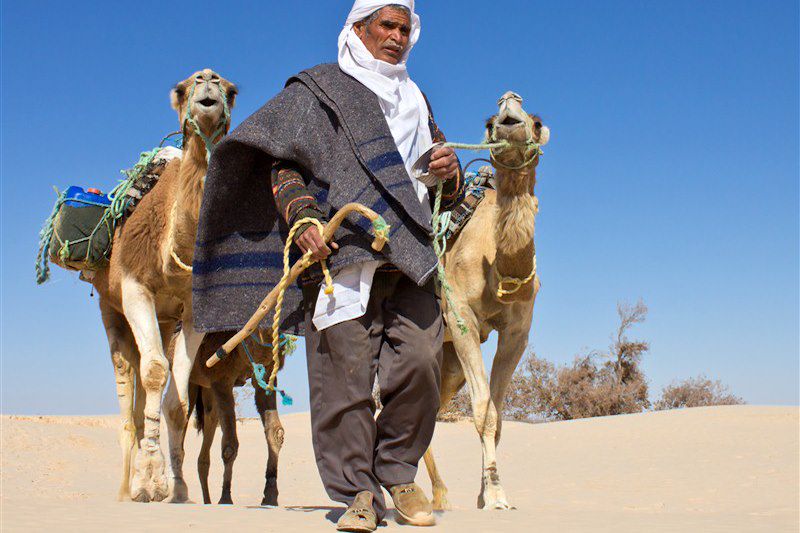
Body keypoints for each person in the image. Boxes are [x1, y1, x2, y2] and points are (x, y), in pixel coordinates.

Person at [192, 1, 464, 530]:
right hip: (339, 255)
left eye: (405, 27)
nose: (397, 35)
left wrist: (447, 171)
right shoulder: (317, 90)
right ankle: (357, 493)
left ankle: (398, 472)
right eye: (386, 25)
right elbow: (282, 165)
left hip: (408, 252)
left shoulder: (415, 99)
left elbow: (439, 187)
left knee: (422, 365)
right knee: (343, 380)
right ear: (358, 29)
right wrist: (303, 220)